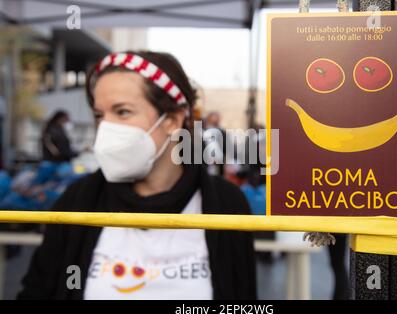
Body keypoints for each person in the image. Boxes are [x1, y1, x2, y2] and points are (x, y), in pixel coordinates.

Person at [18, 51, 256, 300]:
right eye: (100, 115)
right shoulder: (78, 201)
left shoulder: (226, 205)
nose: (105, 128)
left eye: (122, 112)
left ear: (173, 120)